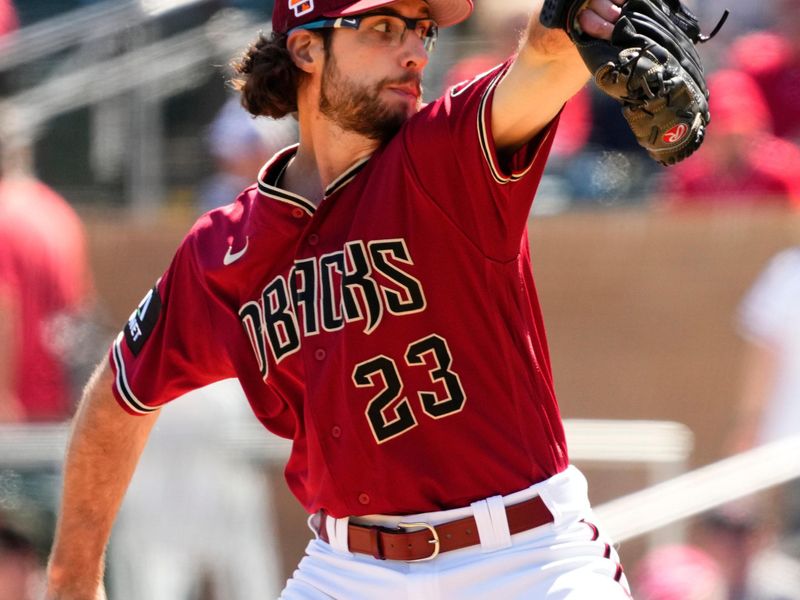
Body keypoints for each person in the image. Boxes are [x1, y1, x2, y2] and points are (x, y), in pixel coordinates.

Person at [45, 0, 635, 598]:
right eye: (383, 28)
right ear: (306, 49)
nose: (414, 51)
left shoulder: (446, 154)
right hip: (347, 567)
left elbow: (543, 60)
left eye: (422, 31)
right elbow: (120, 393)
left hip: (525, 557)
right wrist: (72, 575)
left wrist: (576, 16)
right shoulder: (222, 251)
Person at [0, 154, 94, 422]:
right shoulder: (54, 208)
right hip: (62, 395)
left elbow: (3, 311)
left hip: (18, 408)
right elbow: (82, 301)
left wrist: (2, 398)